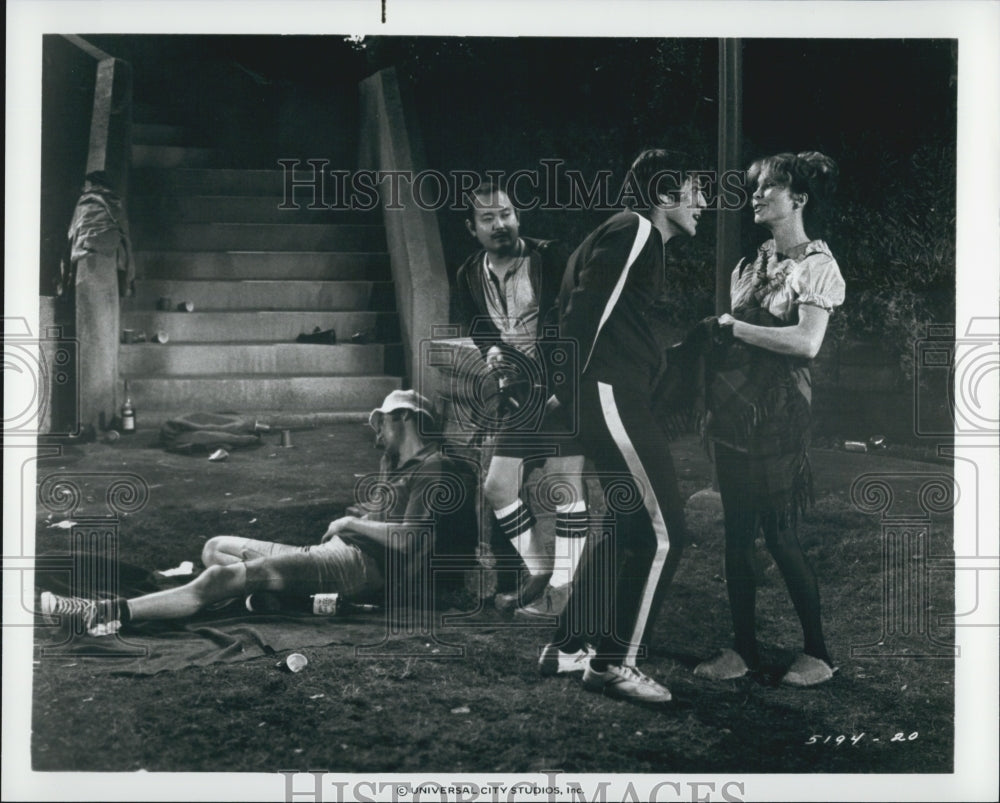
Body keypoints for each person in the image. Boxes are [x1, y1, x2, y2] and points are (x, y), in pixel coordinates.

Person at [41, 390, 478, 635]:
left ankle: (103, 613)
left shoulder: (434, 466)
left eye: (380, 422)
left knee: (219, 577)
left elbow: (414, 539)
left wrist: (349, 522)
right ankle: (291, 595)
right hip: (337, 556)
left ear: (403, 418)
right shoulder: (399, 465)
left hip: (360, 566)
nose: (376, 432)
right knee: (216, 547)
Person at [540, 149, 707, 702]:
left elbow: (603, 318)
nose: (703, 202)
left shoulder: (632, 237)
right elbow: (583, 314)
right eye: (693, 190)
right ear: (663, 197)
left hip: (608, 392)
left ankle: (569, 645)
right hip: (607, 394)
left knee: (623, 524)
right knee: (664, 533)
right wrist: (567, 391)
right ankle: (615, 663)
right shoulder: (635, 228)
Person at [694, 150, 845, 687]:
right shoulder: (750, 264)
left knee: (780, 536)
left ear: (797, 199)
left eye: (768, 189)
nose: (756, 196)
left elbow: (806, 342)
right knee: (737, 535)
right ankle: (742, 650)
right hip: (737, 414)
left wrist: (733, 328)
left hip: (780, 415)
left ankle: (819, 655)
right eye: (755, 188)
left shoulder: (817, 267)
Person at [453, 180, 589, 623]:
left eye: (507, 214)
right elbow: (478, 324)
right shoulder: (469, 273)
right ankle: (539, 570)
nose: (500, 224)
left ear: (519, 216)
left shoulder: (549, 257)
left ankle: (564, 588)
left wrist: (561, 387)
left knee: (565, 484)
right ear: (471, 227)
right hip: (519, 394)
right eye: (488, 218)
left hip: (565, 385)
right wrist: (492, 349)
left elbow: (575, 320)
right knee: (497, 485)